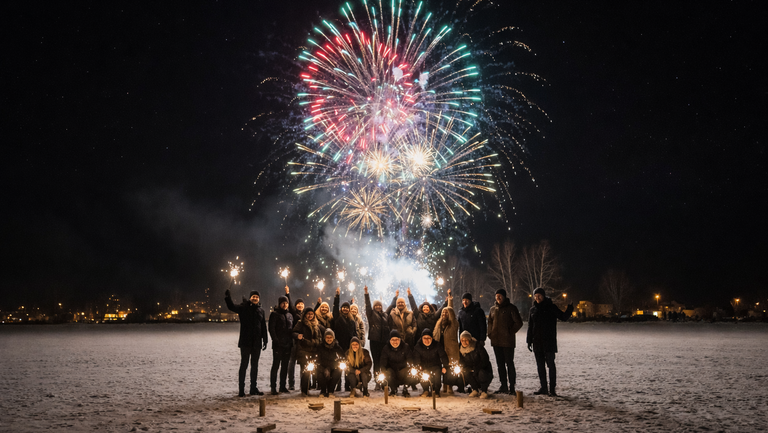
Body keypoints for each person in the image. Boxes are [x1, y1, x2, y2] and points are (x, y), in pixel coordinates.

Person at [526, 287, 574, 397]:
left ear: (543, 296)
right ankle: (543, 387)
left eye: (539, 296)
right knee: (540, 366)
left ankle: (552, 389)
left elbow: (563, 317)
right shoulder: (532, 310)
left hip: (549, 342)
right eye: (536, 296)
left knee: (551, 365)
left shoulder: (551, 307)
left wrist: (570, 308)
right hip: (537, 342)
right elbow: (530, 326)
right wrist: (529, 340)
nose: (537, 298)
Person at [224, 288, 268, 397]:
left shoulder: (261, 310)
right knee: (244, 365)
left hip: (257, 342)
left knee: (255, 366)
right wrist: (227, 298)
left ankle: (253, 388)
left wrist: (265, 340)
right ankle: (241, 390)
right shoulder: (243, 307)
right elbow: (231, 307)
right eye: (253, 296)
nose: (255, 298)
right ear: (250, 298)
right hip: (245, 342)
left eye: (257, 297)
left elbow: (263, 326)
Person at [487, 288, 523, 395]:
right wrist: (490, 334)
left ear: (504, 296)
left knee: (509, 364)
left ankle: (512, 386)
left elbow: (518, 322)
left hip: (507, 342)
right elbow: (489, 322)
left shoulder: (511, 308)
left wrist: (510, 332)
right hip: (496, 342)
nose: (498, 298)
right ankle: (503, 385)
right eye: (497, 296)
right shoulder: (493, 309)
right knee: (500, 364)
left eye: (500, 296)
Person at [292, 307, 324, 396]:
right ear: (305, 315)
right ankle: (304, 390)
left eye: (311, 314)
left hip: (314, 350)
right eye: (308, 314)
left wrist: (314, 342)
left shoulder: (317, 325)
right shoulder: (300, 323)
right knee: (305, 371)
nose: (310, 316)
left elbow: (320, 338)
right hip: (303, 350)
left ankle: (317, 388)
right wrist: (297, 336)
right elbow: (294, 332)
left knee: (315, 371)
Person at [433, 289, 460, 394]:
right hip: (440, 348)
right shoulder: (438, 323)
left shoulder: (453, 323)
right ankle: (444, 385)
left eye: (446, 312)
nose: (444, 313)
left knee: (450, 368)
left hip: (451, 349)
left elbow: (451, 309)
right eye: (443, 312)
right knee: (442, 368)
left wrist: (450, 299)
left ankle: (449, 387)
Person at [364, 286, 390, 390]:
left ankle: (383, 381)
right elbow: (367, 305)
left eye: (380, 305)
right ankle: (377, 382)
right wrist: (366, 293)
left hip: (384, 341)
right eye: (376, 305)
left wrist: (395, 298)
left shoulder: (385, 315)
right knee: (376, 362)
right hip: (375, 342)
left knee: (383, 362)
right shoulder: (371, 314)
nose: (378, 307)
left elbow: (392, 306)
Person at [268, 295, 293, 395]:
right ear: (279, 304)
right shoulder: (274, 314)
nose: (285, 305)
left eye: (286, 303)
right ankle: (273, 387)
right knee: (276, 365)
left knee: (285, 366)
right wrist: (276, 340)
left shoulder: (289, 315)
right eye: (283, 303)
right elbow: (271, 329)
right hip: (278, 344)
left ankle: (282, 386)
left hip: (288, 344)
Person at [412, 328, 449, 397]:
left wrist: (445, 366)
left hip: (435, 366)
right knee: (422, 374)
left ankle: (436, 391)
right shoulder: (418, 347)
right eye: (424, 338)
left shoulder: (437, 345)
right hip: (424, 367)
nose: (426, 340)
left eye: (428, 338)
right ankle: (425, 390)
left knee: (437, 374)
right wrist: (418, 367)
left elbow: (443, 356)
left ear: (431, 338)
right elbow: (416, 359)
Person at [459, 330, 493, 399]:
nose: (464, 342)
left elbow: (485, 359)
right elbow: (462, 361)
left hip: (483, 369)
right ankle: (475, 389)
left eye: (466, 340)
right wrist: (464, 367)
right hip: (472, 370)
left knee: (481, 373)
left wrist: (477, 368)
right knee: (465, 372)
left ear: (470, 339)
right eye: (462, 340)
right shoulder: (461, 349)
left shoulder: (477, 346)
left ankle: (484, 391)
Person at [379, 329, 413, 397]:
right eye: (393, 340)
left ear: (400, 340)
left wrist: (410, 368)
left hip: (403, 371)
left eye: (396, 339)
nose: (395, 342)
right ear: (390, 340)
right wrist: (383, 371)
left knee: (410, 372)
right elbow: (383, 362)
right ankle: (393, 389)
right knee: (388, 372)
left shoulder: (405, 347)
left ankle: (405, 389)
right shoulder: (386, 348)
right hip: (392, 372)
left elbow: (410, 360)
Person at [285, 286, 304, 390]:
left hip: (303, 342)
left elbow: (313, 311)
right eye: (298, 304)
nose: (300, 305)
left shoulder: (305, 314)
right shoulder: (294, 313)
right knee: (291, 362)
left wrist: (319, 304)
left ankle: (303, 383)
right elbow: (290, 306)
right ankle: (291, 383)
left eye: (301, 304)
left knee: (303, 363)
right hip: (294, 340)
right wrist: (287, 293)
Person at [317, 329, 345, 398]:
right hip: (322, 367)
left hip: (333, 367)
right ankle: (323, 391)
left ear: (333, 338)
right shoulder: (320, 347)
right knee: (319, 374)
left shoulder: (337, 347)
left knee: (337, 372)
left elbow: (342, 357)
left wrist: (335, 366)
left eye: (330, 337)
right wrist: (323, 369)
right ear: (324, 338)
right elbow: (317, 359)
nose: (329, 339)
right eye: (327, 337)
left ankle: (330, 391)